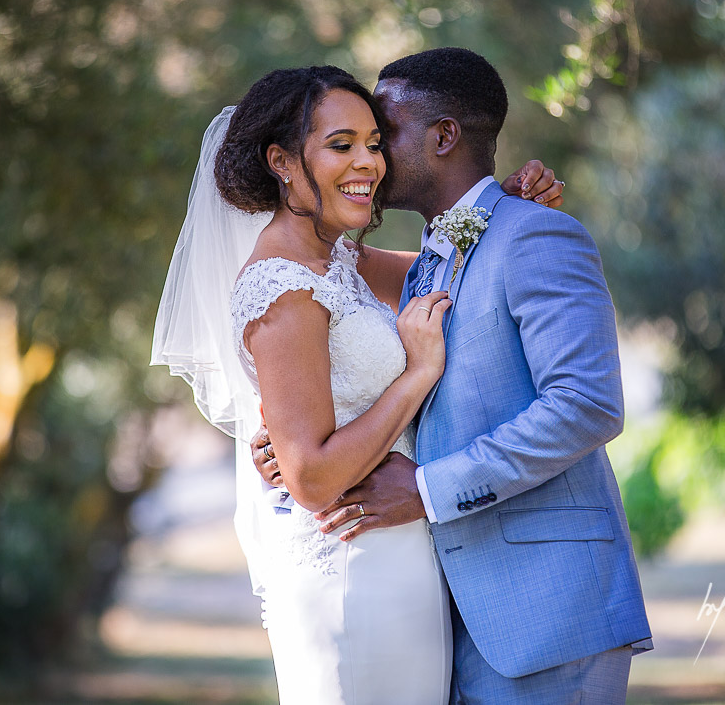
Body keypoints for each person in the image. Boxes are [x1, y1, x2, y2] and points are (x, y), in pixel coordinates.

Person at [151, 64, 564, 705]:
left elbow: (447, 263)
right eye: (341, 145)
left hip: (399, 559)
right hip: (351, 571)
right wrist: (418, 375)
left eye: (374, 143)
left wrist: (501, 205)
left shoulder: (336, 261)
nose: (369, 162)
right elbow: (312, 478)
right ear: (283, 162)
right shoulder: (282, 288)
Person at [253, 48, 652, 703]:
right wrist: (300, 441)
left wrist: (431, 490)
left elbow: (587, 405)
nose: (372, 158)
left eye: (384, 135)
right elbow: (327, 292)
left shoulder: (538, 238)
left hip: (546, 607)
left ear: (444, 136)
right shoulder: (430, 262)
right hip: (443, 611)